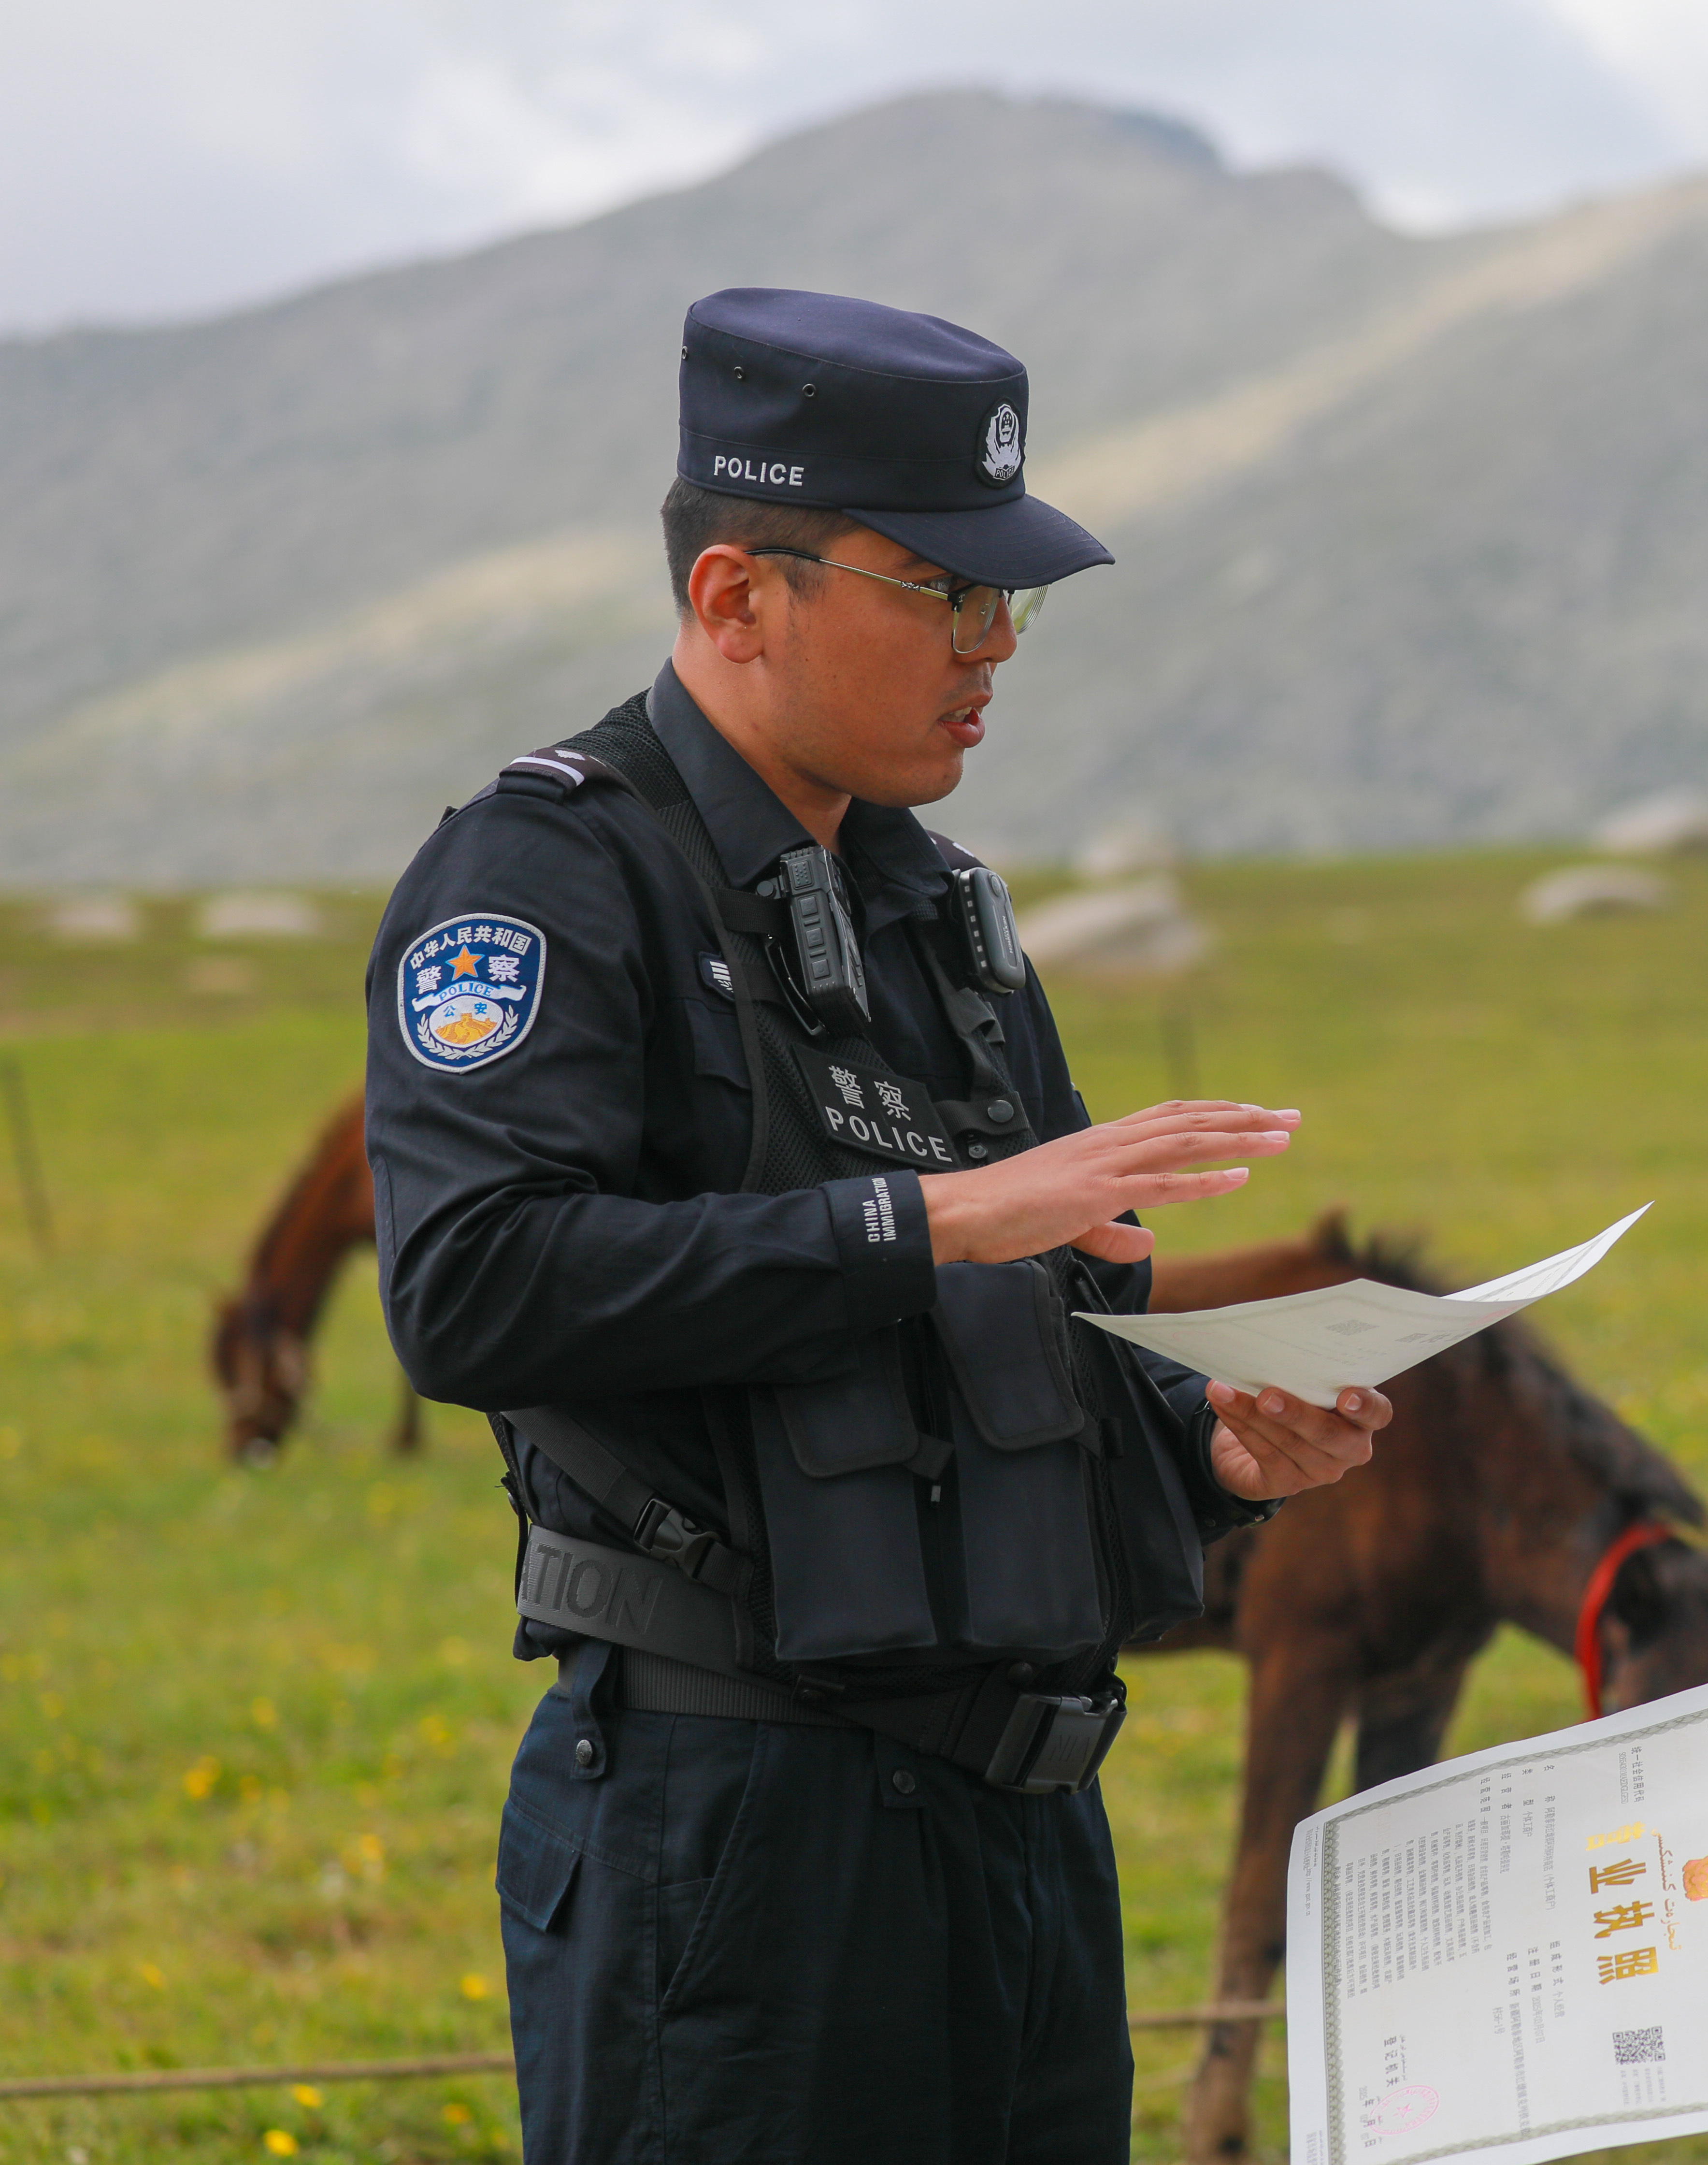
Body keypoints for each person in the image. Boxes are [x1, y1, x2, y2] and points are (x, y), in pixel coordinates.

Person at [365, 287, 1392, 2165]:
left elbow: (1026, 1349)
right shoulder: (549, 876)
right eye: (941, 591)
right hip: (735, 1836)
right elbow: (474, 1287)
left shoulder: (946, 919)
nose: (992, 646)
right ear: (735, 598)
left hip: (1026, 1837)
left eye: (1009, 600)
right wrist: (930, 1218)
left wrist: (1212, 1443)